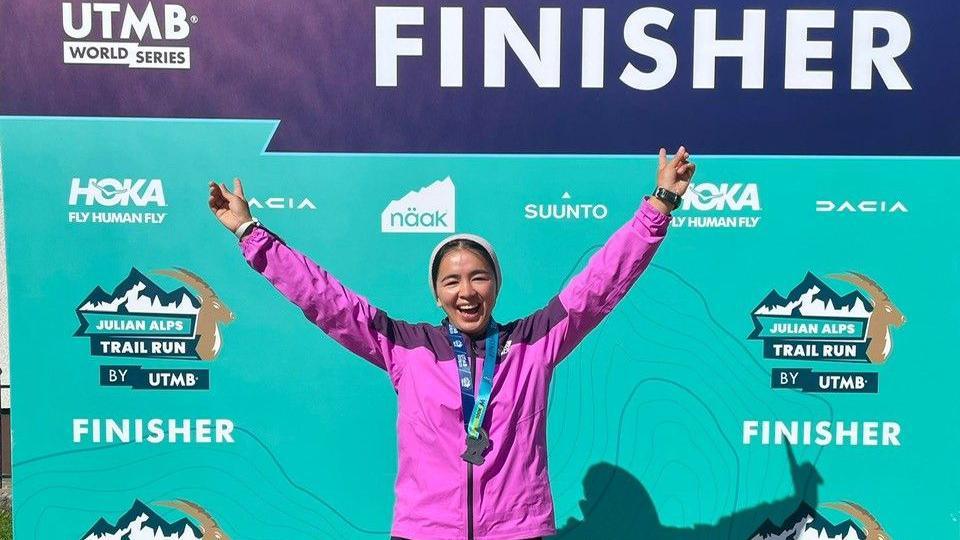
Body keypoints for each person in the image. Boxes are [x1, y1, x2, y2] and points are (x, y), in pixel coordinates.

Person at [208, 147, 695, 540]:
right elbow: (328, 301)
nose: (467, 291)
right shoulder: (404, 346)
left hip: (516, 531)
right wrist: (253, 235)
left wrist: (659, 205)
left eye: (479, 277)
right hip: (426, 532)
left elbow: (598, 285)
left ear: (496, 286)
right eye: (452, 281)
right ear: (437, 293)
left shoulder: (535, 342)